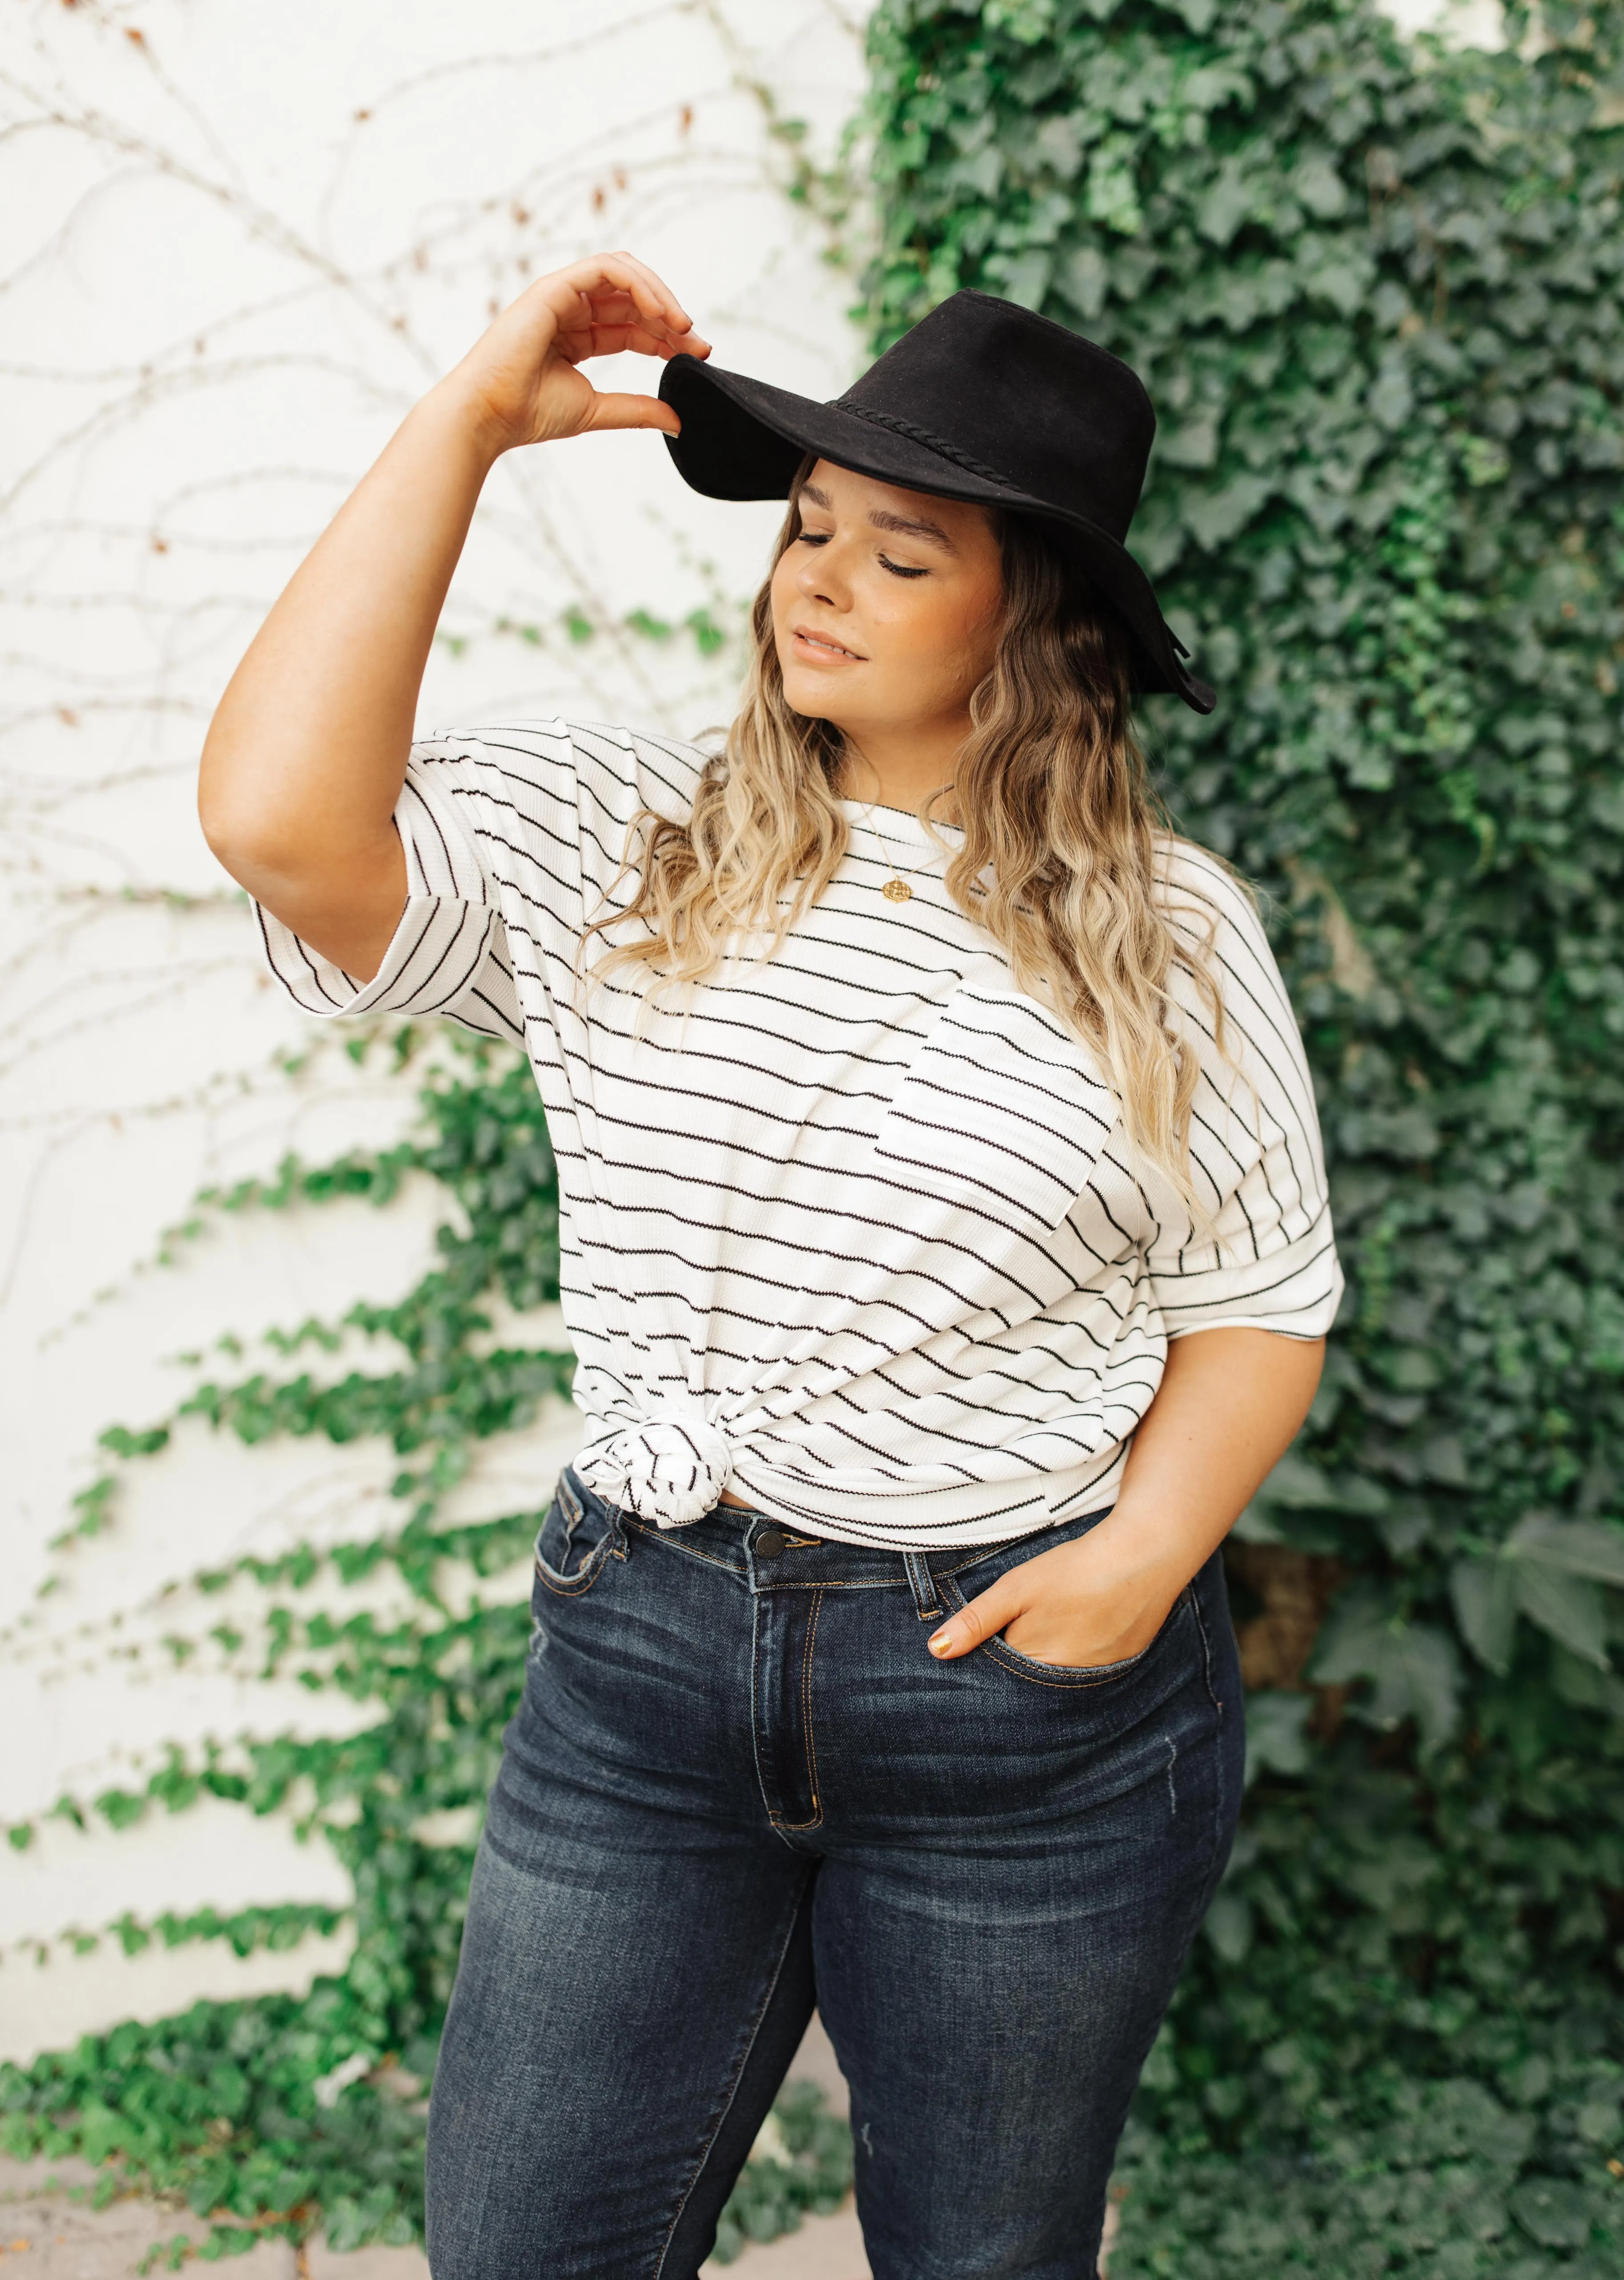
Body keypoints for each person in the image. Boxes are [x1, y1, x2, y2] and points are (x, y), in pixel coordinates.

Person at [199, 254, 1341, 2280]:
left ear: (1034, 620)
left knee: (983, 2261)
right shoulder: (630, 837)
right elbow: (283, 819)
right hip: (642, 1661)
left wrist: (1144, 1557)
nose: (816, 579)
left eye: (901, 556)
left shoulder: (1171, 935)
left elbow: (1258, 1294)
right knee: (526, 2249)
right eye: (808, 530)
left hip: (1018, 1713)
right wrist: (467, 423)